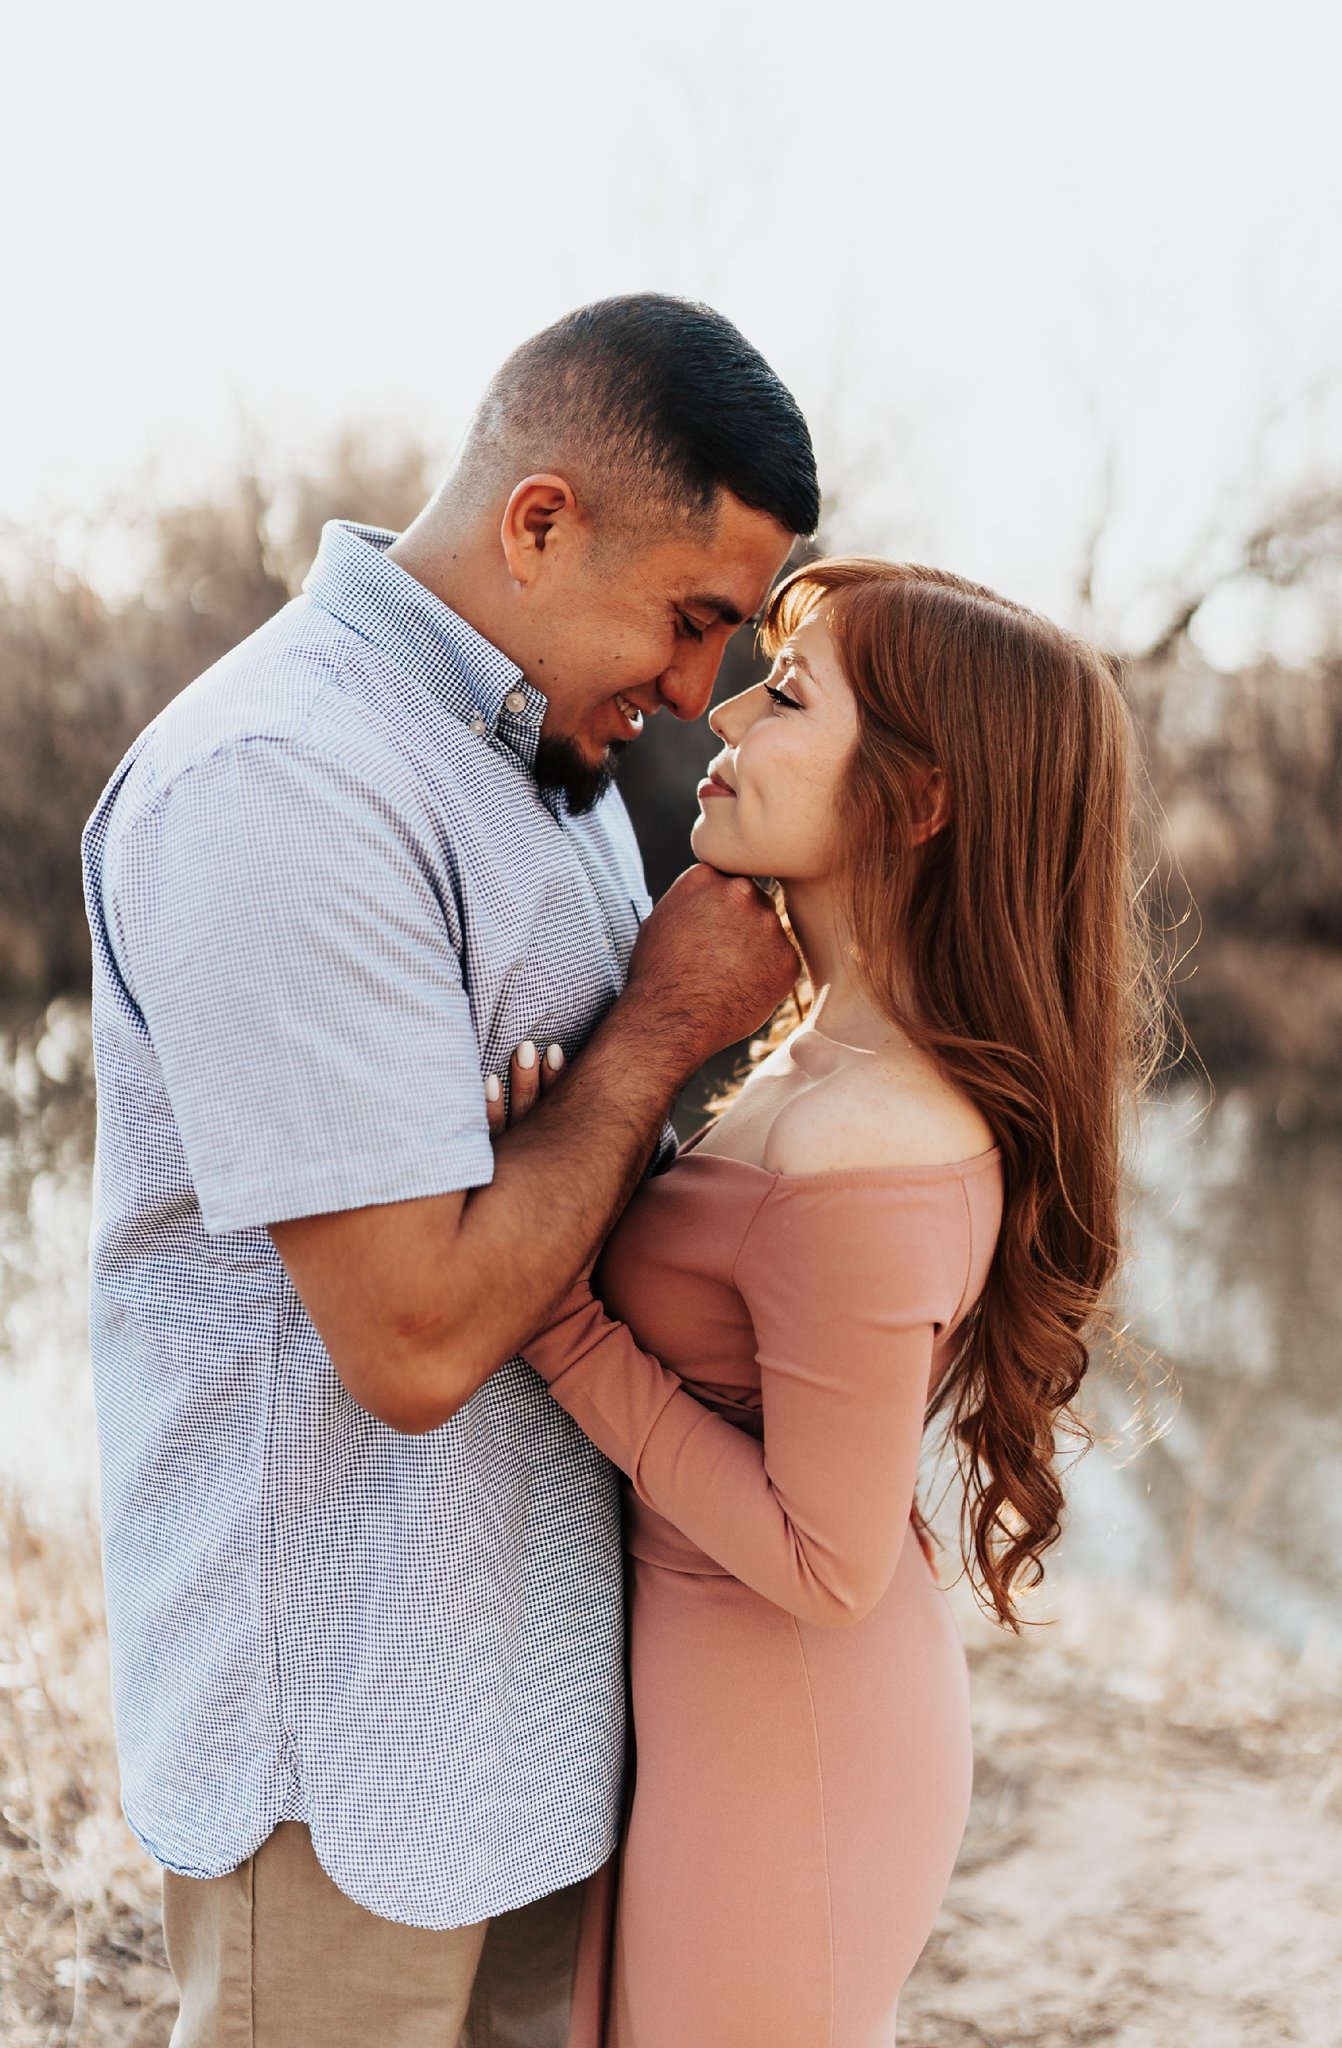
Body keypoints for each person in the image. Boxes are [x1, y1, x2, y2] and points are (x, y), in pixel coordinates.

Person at [79, 295, 817, 2047]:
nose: (695, 696)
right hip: (347, 1763)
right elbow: (413, 1343)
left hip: (538, 1730)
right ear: (540, 523)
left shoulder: (538, 765)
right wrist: (646, 1041)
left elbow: (578, 1216)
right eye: (691, 618)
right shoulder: (288, 780)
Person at [503, 556, 1163, 2047]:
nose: (726, 704)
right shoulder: (816, 1057)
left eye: (788, 693)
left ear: (917, 801)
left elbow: (827, 1559)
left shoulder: (871, 1140)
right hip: (725, 1717)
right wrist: (596, 1166)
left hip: (786, 1743)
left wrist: (549, 1317)